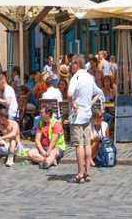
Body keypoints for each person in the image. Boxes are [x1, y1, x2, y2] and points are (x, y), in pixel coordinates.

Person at [67, 54, 103, 183]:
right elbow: (98, 92)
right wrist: (90, 103)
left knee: (79, 145)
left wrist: (73, 103)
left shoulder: (75, 77)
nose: (70, 65)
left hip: (77, 116)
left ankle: (80, 173)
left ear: (77, 64)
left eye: (72, 63)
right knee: (87, 143)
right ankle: (87, 172)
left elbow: (69, 94)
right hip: (87, 114)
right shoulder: (89, 77)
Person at [28, 103, 66, 169]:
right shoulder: (41, 123)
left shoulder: (56, 123)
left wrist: (47, 153)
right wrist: (42, 151)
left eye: (42, 113)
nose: (40, 114)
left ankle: (46, 163)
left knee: (53, 153)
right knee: (30, 153)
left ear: (47, 114)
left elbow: (53, 141)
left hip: (56, 147)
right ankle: (49, 161)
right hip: (44, 147)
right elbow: (37, 139)